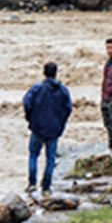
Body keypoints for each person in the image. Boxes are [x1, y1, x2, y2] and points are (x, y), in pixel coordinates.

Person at [23, 62, 73, 197]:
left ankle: (32, 183)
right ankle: (46, 187)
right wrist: (60, 122)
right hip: (54, 129)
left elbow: (26, 102)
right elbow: (68, 108)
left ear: (43, 73)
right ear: (56, 74)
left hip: (37, 127)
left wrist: (30, 118)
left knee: (33, 155)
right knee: (50, 158)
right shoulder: (63, 90)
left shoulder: (37, 88)